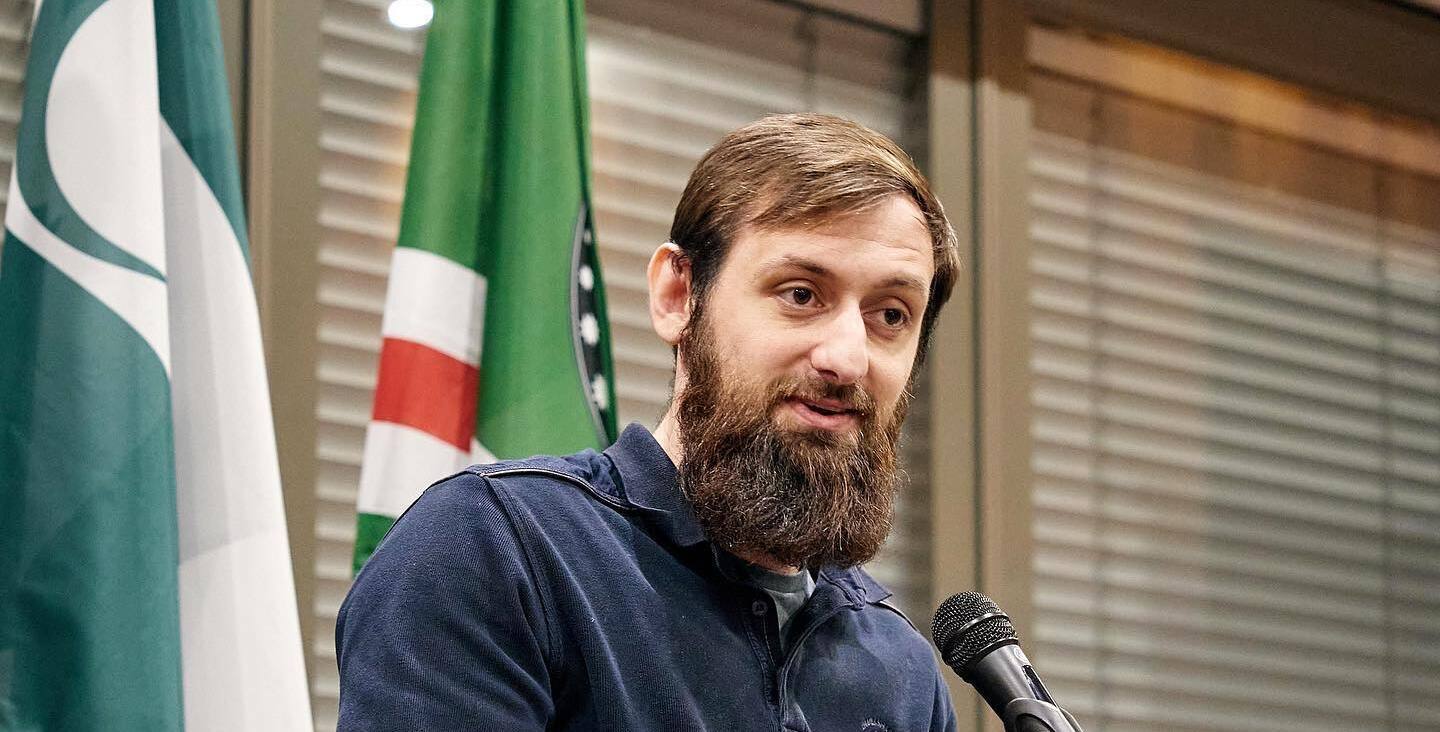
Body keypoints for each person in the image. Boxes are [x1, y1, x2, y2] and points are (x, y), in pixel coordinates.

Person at [335, 113, 962, 731]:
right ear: (677, 296)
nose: (848, 358)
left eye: (891, 315)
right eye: (800, 294)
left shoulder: (901, 671)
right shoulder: (497, 550)